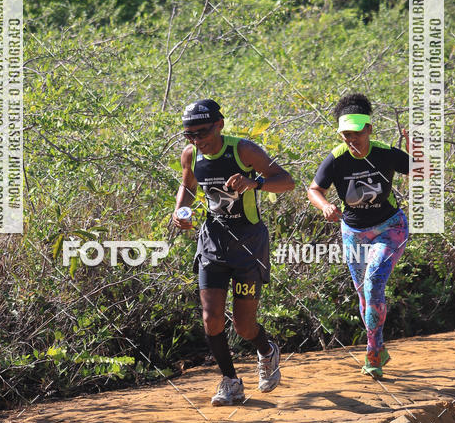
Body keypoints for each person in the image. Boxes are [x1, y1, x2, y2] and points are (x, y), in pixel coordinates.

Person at [173, 99, 295, 405]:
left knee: (244, 326)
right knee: (211, 317)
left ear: (219, 125)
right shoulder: (191, 154)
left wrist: (255, 183)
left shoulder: (243, 150)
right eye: (190, 135)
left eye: (202, 132)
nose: (197, 140)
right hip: (213, 242)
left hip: (248, 243)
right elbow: (188, 186)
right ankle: (230, 381)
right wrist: (181, 211)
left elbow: (287, 182)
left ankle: (266, 351)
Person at [307, 93, 413, 378]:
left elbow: (424, 170)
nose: (351, 141)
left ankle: (372, 353)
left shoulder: (386, 153)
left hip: (390, 227)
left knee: (373, 282)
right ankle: (379, 346)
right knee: (364, 295)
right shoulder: (337, 158)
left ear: (369, 129)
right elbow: (313, 189)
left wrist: (417, 148)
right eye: (345, 136)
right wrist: (325, 205)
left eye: (356, 134)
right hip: (354, 232)